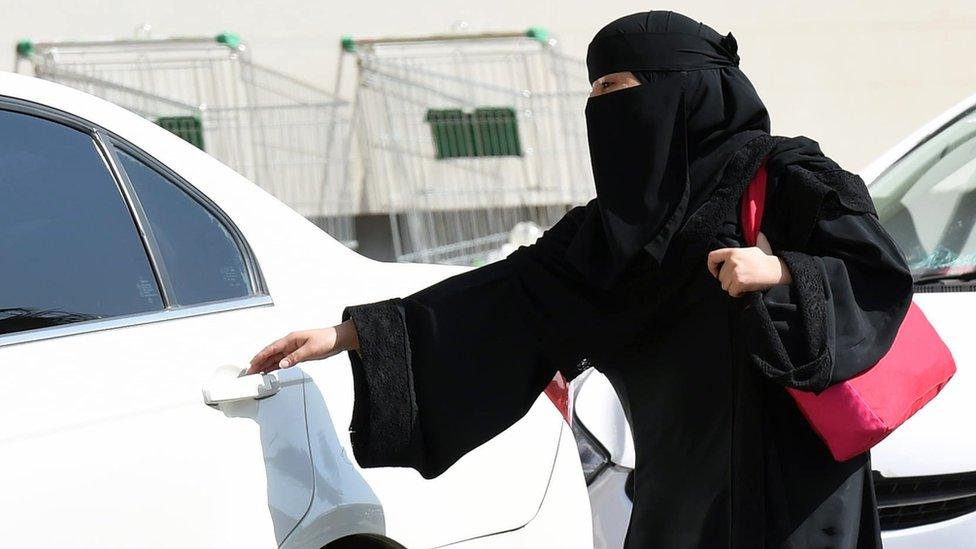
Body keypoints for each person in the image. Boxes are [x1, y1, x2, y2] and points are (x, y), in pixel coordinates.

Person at [248, 10, 914, 548]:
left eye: (618, 89)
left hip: (796, 495)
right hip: (677, 501)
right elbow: (507, 297)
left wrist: (779, 272)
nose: (601, 108)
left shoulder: (788, 175)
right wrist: (354, 334)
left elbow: (874, 274)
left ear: (681, 86)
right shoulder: (607, 233)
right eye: (592, 92)